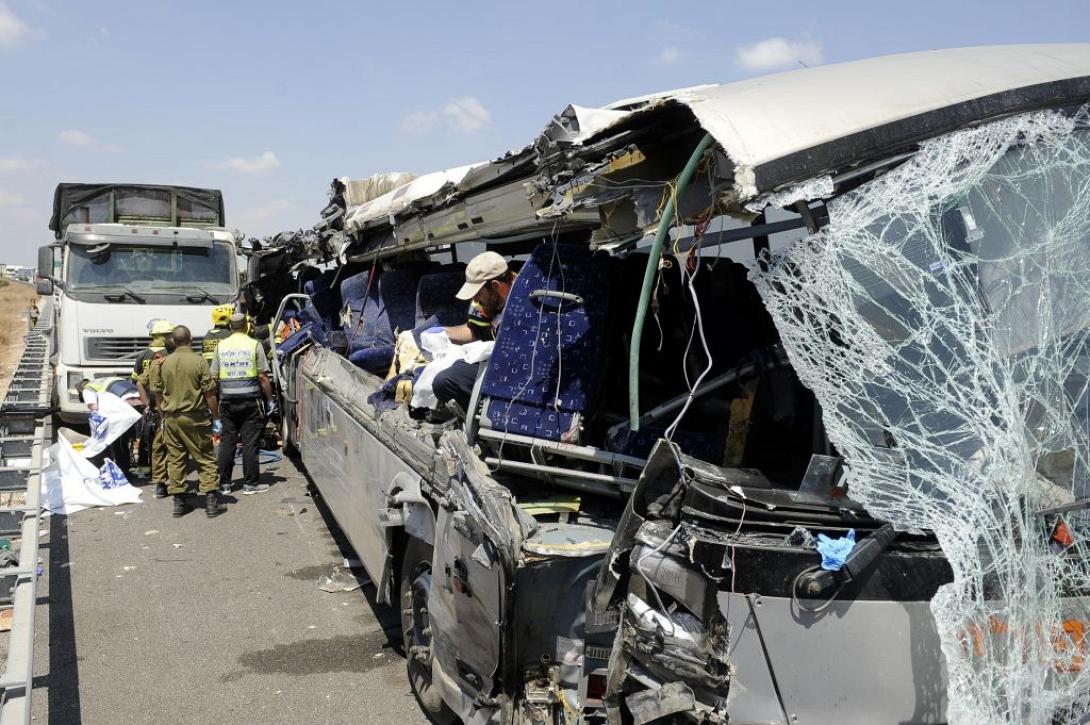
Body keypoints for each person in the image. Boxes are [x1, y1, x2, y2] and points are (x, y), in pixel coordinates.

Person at [153, 325, 224, 518]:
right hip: (195, 417)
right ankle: (211, 503)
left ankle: (179, 503)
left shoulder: (163, 363)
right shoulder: (199, 361)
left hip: (171, 418)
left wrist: (162, 417)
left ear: (174, 342)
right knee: (205, 457)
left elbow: (158, 394)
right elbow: (210, 394)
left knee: (175, 459)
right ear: (191, 339)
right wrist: (216, 417)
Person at [432, 251, 517, 411]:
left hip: (513, 369)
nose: (476, 300)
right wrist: (444, 333)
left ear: (495, 286)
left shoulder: (527, 303)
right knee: (442, 376)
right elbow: (474, 330)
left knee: (446, 381)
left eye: (478, 293)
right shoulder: (486, 303)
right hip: (492, 361)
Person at [211, 313, 275, 495]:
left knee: (227, 442)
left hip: (226, 402)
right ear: (246, 326)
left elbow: (213, 377)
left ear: (230, 327)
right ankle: (250, 484)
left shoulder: (220, 347)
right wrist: (270, 400)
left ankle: (224, 484)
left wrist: (214, 409)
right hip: (250, 401)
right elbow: (263, 376)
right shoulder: (254, 344)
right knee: (250, 443)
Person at [133, 319, 174, 497]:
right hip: (167, 403)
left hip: (149, 404)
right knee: (168, 443)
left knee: (148, 440)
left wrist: (144, 404)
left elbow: (136, 380)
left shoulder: (142, 355)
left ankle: (148, 473)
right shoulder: (169, 354)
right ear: (164, 336)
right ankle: (171, 475)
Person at [74, 376, 143, 474]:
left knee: (118, 441)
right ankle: (131, 467)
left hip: (125, 403)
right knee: (129, 438)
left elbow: (95, 409)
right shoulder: (100, 381)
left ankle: (123, 471)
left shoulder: (87, 389)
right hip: (139, 398)